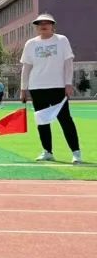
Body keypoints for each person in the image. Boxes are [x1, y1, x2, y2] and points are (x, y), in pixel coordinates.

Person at [21, 14, 82, 164]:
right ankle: (47, 151)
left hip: (58, 87)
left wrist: (68, 83)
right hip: (37, 87)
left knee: (65, 120)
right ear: (36, 27)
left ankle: (76, 153)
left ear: (52, 25)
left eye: (47, 23)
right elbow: (26, 67)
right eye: (40, 23)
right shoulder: (31, 44)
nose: (43, 25)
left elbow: (68, 63)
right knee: (42, 121)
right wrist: (23, 88)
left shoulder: (61, 40)